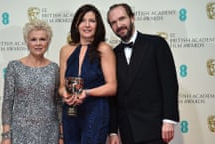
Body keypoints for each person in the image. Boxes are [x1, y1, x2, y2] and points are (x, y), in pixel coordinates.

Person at [107, 3, 179, 144]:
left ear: (132, 18)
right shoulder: (113, 55)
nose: (119, 25)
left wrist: (169, 120)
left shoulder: (156, 44)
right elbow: (113, 98)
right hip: (127, 130)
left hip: (155, 127)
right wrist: (113, 131)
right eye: (113, 23)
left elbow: (169, 84)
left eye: (122, 19)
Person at [59, 4, 117, 144]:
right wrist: (66, 95)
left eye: (92, 21)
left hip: (95, 111)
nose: (87, 25)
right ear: (76, 25)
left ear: (98, 25)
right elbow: (61, 86)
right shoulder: (66, 50)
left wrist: (87, 92)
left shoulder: (104, 49)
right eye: (83, 20)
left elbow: (112, 87)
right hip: (71, 112)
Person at [1, 19, 62, 144]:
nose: (38, 43)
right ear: (27, 42)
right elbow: (8, 102)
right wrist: (6, 135)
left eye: (42, 39)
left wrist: (61, 135)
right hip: (20, 132)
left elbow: (58, 103)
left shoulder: (54, 68)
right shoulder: (14, 67)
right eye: (33, 39)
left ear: (48, 41)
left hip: (50, 132)